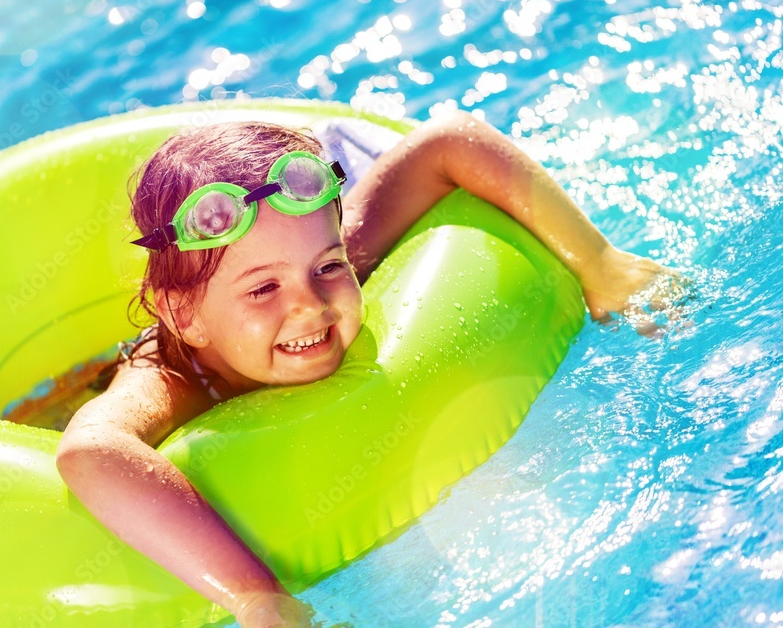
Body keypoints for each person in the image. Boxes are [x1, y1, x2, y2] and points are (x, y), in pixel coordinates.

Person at [54, 113, 685, 627]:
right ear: (185, 314)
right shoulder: (172, 377)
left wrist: (599, 262)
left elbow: (451, 142)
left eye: (328, 267)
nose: (309, 302)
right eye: (261, 290)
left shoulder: (329, 254)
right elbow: (89, 451)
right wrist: (255, 597)